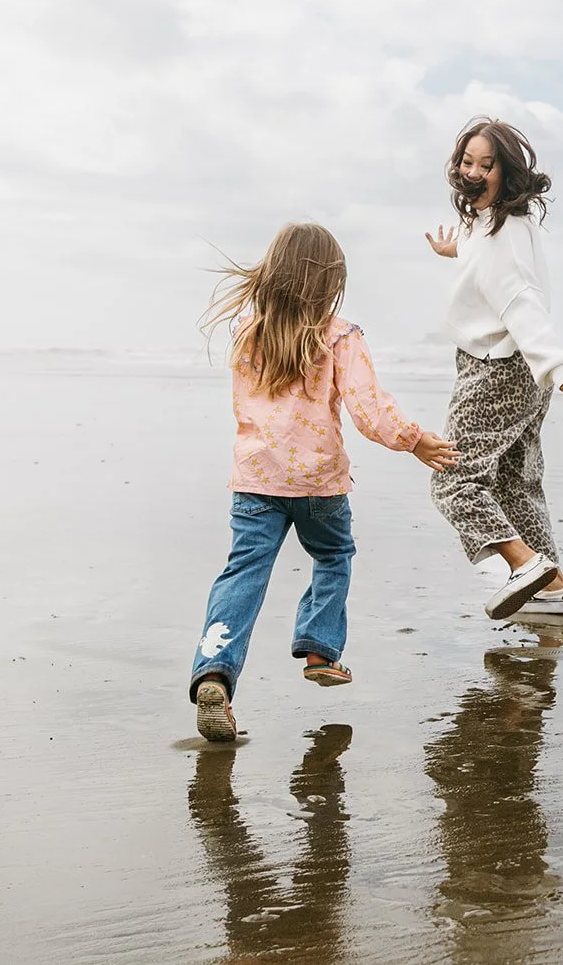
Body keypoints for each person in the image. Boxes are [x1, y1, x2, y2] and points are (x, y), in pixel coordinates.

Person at [188, 222, 458, 743]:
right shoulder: (340, 335)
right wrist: (415, 439)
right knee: (333, 557)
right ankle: (319, 649)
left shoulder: (249, 331)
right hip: (320, 484)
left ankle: (215, 670)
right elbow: (367, 408)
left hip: (256, 481)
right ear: (331, 279)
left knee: (243, 571)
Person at [425, 118, 563, 621]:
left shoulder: (498, 238)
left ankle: (524, 565)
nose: (474, 172)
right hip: (523, 373)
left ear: (509, 173)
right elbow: (486, 257)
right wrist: (455, 249)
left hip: (497, 370)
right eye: (467, 162)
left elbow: (521, 303)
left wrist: (560, 366)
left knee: (453, 477)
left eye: (488, 165)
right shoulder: (502, 226)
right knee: (513, 484)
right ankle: (554, 589)